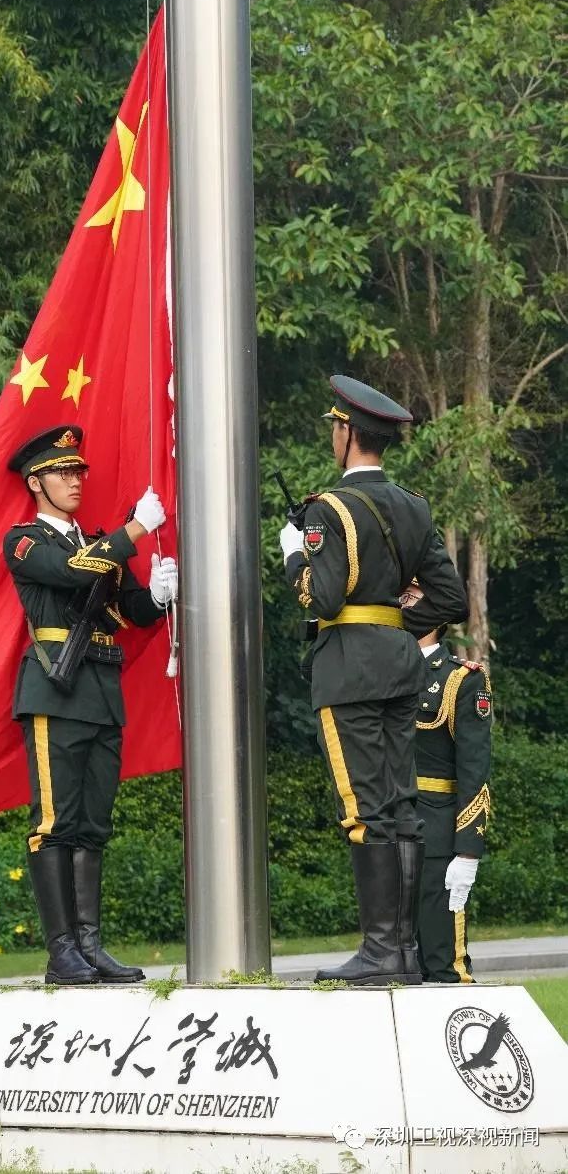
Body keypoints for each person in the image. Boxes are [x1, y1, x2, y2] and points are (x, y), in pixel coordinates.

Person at [280, 375, 468, 986]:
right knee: (402, 807)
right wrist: (392, 622)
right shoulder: (413, 506)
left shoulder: (327, 509)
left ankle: (380, 950)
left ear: (347, 434)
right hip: (400, 664)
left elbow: (325, 596)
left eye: (336, 429)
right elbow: (450, 597)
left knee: (366, 810)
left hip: (351, 671)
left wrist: (292, 558)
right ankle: (405, 951)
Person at [4, 425, 177, 986]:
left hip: (102, 693)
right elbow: (68, 573)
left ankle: (89, 944)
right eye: (62, 472)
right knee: (54, 823)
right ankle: (61, 952)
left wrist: (154, 596)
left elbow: (125, 612)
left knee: (93, 826)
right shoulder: (27, 540)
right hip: (55, 690)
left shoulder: (95, 543)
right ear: (36, 482)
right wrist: (132, 531)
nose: (75, 481)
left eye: (79, 471)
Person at [415, 627, 491, 983]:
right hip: (387, 830)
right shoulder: (378, 671)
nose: (401, 602)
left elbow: (474, 770)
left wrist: (468, 851)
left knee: (442, 961)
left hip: (437, 833)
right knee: (395, 966)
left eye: (411, 596)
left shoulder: (461, 679)